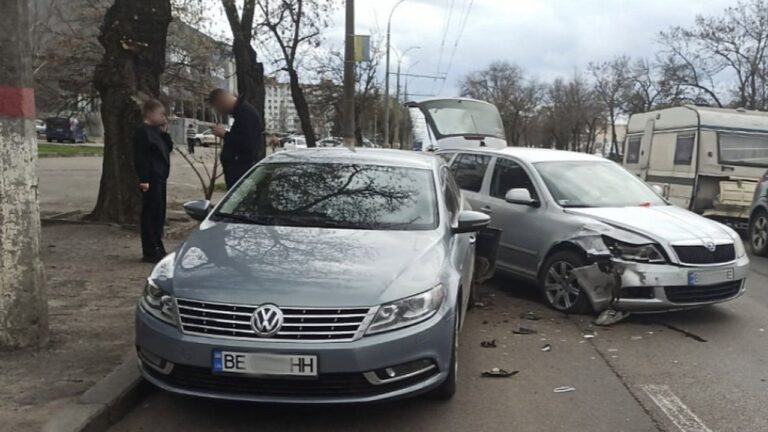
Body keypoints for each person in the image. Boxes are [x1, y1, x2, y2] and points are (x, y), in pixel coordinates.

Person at [133, 99, 173, 263]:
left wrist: (165, 132)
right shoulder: (143, 132)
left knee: (159, 214)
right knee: (150, 214)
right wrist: (144, 179)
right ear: (150, 113)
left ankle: (158, 245)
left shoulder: (157, 131)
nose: (163, 117)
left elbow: (167, 148)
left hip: (160, 178)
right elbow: (140, 156)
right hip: (151, 178)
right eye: (160, 114)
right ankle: (150, 250)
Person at [208, 88, 264, 189]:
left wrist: (225, 135)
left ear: (221, 102)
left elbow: (246, 143)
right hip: (238, 171)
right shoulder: (241, 113)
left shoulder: (245, 114)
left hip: (241, 172)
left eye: (217, 108)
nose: (219, 112)